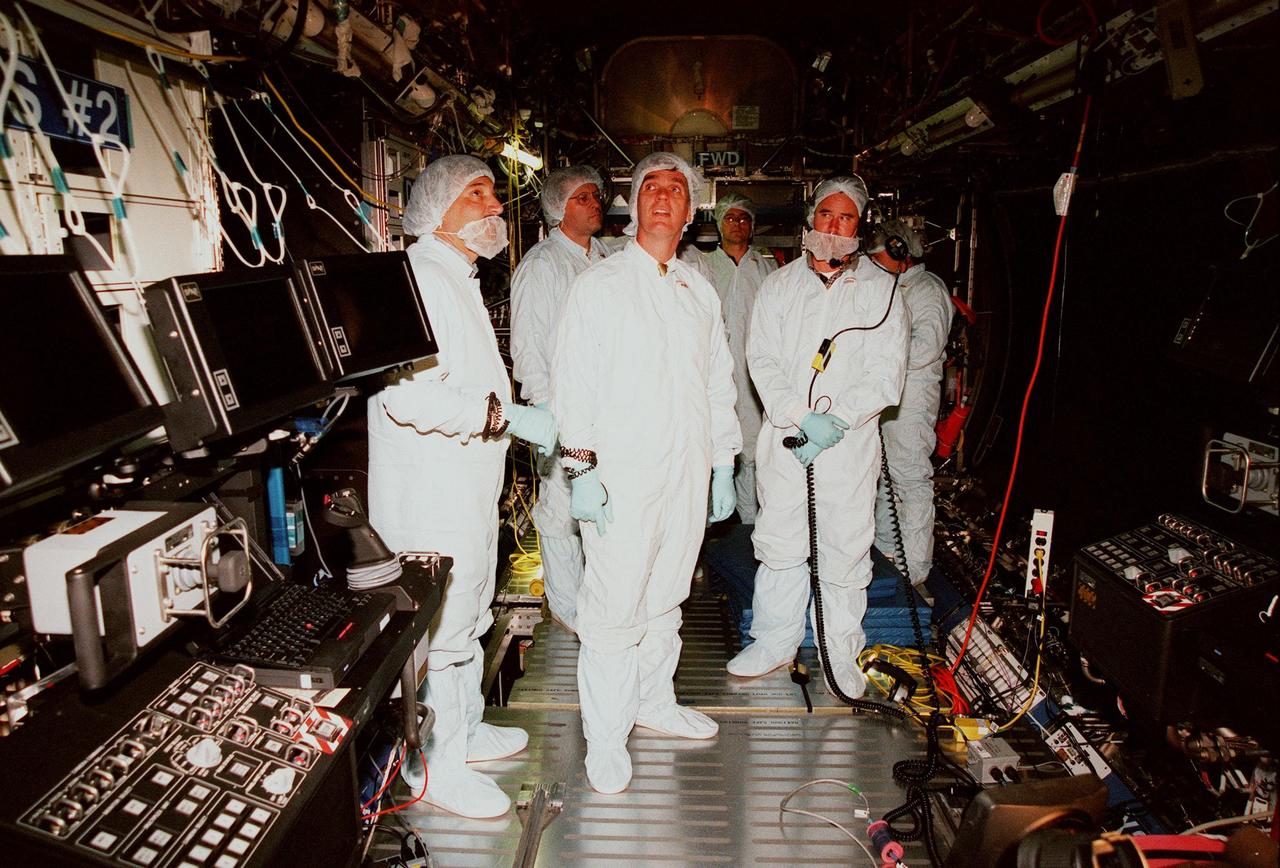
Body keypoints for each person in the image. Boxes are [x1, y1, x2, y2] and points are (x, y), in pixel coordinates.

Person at [367, 155, 557, 819]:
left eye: (493, 196)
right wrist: (500, 415)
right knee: (441, 635)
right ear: (435, 210)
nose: (493, 208)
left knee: (469, 618)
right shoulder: (419, 277)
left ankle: (466, 733)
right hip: (430, 498)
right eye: (475, 195)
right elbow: (408, 401)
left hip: (465, 490)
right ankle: (435, 770)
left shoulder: (458, 275)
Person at [551, 152, 741, 794]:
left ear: (690, 213)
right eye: (651, 187)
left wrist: (722, 463)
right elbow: (572, 384)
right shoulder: (598, 287)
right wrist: (581, 469)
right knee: (612, 610)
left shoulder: (699, 292)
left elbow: (718, 384)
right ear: (635, 204)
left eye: (676, 190)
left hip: (686, 475)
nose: (663, 197)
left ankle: (654, 704)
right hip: (623, 480)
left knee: (666, 600)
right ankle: (606, 737)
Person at [727, 176, 909, 700]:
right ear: (810, 221)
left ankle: (841, 652)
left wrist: (839, 420)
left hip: (849, 452)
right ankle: (774, 642)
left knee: (845, 551)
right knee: (781, 543)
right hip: (787, 443)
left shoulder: (881, 293)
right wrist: (797, 415)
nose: (834, 226)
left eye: (846, 217)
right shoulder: (778, 287)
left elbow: (885, 375)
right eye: (826, 215)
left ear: (860, 227)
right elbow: (760, 358)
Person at [510, 166, 612, 633]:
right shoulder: (542, 265)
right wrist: (544, 410)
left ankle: (596, 596)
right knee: (558, 510)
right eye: (583, 198)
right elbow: (529, 346)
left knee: (599, 505)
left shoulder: (606, 257)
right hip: (562, 410)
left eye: (596, 196)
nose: (595, 204)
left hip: (607, 410)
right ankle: (568, 607)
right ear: (558, 209)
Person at [682, 192, 777, 522]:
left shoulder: (768, 269)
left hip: (756, 376)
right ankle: (707, 533)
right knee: (710, 443)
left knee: (754, 451)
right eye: (730, 218)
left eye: (744, 218)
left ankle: (752, 529)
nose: (737, 224)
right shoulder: (702, 267)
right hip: (713, 371)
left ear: (752, 227)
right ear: (719, 224)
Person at [870, 219, 955, 588]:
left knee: (910, 479)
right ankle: (886, 550)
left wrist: (877, 358)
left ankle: (916, 565)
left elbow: (925, 348)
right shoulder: (895, 288)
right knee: (884, 476)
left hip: (912, 399)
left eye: (878, 258)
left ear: (900, 253)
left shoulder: (926, 290)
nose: (874, 265)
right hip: (889, 395)